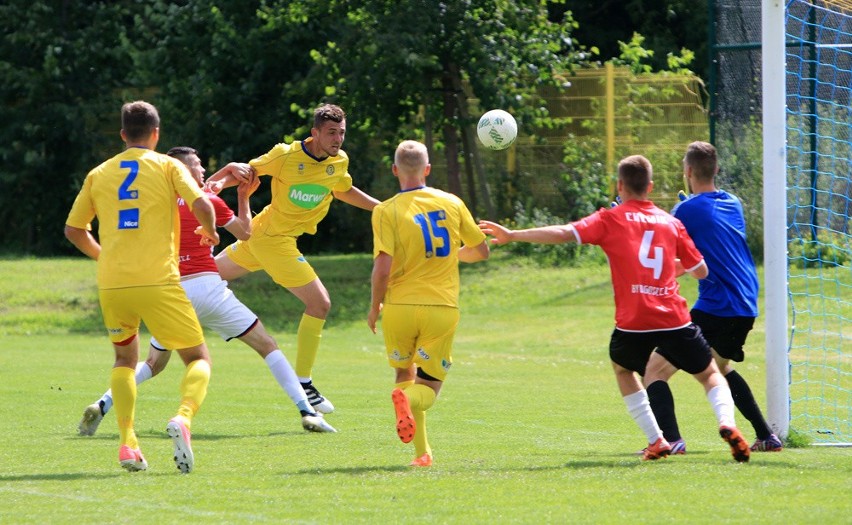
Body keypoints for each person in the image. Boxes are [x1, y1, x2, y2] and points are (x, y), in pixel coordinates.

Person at [479, 154, 751, 462]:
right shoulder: (671, 222)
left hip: (633, 319)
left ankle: (657, 439)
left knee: (623, 369)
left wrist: (513, 234)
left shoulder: (610, 219)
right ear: (649, 186)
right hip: (672, 316)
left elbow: (564, 233)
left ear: (620, 185)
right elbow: (701, 270)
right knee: (709, 373)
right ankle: (727, 423)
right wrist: (671, 267)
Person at [76, 146, 336, 439]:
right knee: (267, 345)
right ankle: (307, 412)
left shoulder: (156, 204)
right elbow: (245, 233)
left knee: (153, 363)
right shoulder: (208, 201)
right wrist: (242, 197)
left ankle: (103, 402)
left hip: (171, 294)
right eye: (197, 165)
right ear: (185, 171)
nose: (202, 170)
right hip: (209, 289)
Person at [64, 101, 218, 473]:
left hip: (113, 283)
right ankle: (182, 418)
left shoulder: (99, 172)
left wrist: (104, 258)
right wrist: (210, 231)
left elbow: (73, 230)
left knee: (124, 360)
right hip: (159, 280)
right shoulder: (169, 165)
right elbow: (201, 203)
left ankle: (128, 444)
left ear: (122, 135)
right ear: (156, 134)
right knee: (198, 358)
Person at [207, 104, 380, 414]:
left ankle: (159, 295)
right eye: (331, 133)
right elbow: (246, 172)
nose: (337, 139)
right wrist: (219, 184)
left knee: (203, 277)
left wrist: (382, 208)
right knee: (320, 303)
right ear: (314, 133)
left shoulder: (339, 162)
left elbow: (345, 190)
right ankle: (305, 383)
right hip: (272, 241)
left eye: (341, 133)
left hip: (262, 236)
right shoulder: (285, 155)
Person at [645, 141, 782, 453]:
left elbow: (657, 239)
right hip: (745, 305)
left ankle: (671, 441)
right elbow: (705, 252)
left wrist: (624, 216)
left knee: (654, 368)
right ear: (716, 169)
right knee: (720, 369)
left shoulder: (685, 210)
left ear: (688, 171)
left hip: (716, 307)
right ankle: (766, 436)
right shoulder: (733, 202)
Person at [367, 140, 490, 467]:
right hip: (440, 308)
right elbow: (481, 251)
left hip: (398, 308)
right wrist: (454, 255)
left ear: (395, 170)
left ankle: (422, 453)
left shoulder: (385, 210)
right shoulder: (451, 202)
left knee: (403, 373)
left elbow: (382, 266)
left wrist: (373, 306)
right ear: (428, 169)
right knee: (428, 388)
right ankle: (409, 408)